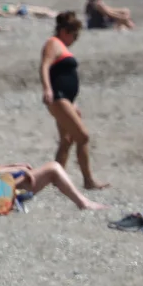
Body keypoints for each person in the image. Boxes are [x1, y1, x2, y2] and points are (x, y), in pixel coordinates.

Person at [0, 128, 106, 211]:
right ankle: (83, 203)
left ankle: (82, 201)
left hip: (1, 189)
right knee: (53, 168)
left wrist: (15, 165)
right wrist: (18, 169)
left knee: (51, 169)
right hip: (1, 194)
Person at [41, 12, 108, 191]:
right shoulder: (53, 43)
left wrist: (72, 103)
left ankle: (56, 178)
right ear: (64, 31)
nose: (75, 39)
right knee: (83, 136)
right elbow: (45, 66)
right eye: (74, 34)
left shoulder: (60, 45)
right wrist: (47, 89)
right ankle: (88, 181)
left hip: (66, 98)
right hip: (58, 96)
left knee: (67, 139)